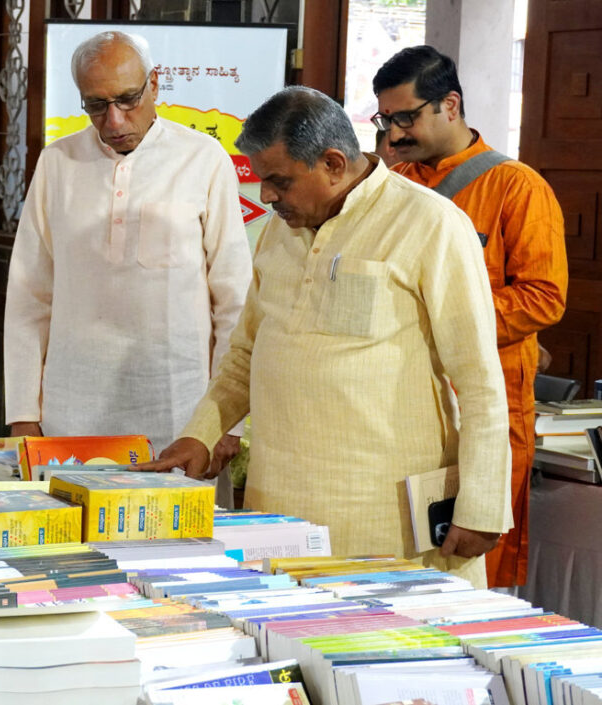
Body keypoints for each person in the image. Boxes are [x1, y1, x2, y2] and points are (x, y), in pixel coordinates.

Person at [142, 86, 512, 588]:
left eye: (279, 182)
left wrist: (483, 504)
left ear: (334, 164)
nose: (267, 197)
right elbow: (247, 351)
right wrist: (201, 432)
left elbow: (480, 381)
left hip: (386, 522)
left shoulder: (430, 223)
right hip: (276, 515)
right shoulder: (281, 231)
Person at [2, 31, 252, 499]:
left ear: (155, 85)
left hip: (180, 409)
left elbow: (234, 300)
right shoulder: (57, 162)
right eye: (96, 105)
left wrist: (225, 422)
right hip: (71, 409)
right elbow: (28, 296)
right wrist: (23, 413)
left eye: (127, 99)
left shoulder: (204, 160)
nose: (113, 120)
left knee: (182, 549)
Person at [373, 45, 568, 588]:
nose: (393, 134)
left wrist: (449, 322)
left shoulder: (517, 187)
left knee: (477, 566)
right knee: (406, 567)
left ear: (450, 105)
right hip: (403, 408)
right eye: (385, 119)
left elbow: (542, 296)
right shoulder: (394, 186)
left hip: (488, 404)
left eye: (406, 117)